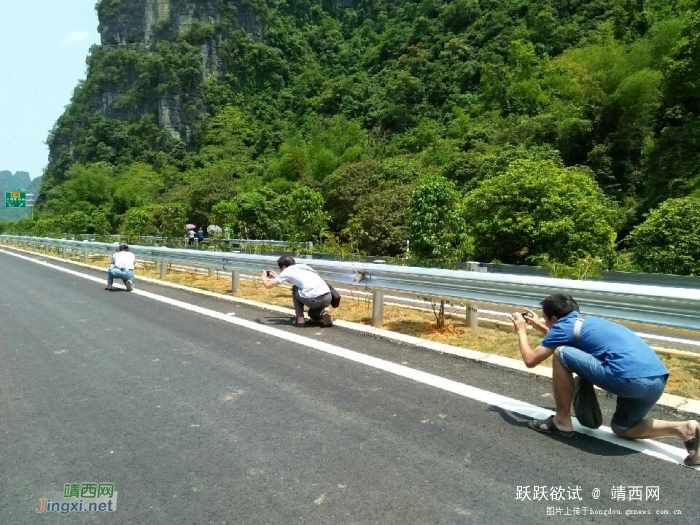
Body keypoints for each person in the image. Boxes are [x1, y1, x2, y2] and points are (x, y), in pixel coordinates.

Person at [510, 293, 699, 466]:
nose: (545, 322)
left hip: (628, 380)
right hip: (657, 381)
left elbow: (530, 360)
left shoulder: (560, 328)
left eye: (545, 318)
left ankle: (561, 422)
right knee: (623, 428)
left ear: (554, 319)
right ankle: (685, 429)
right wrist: (539, 326)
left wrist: (521, 329)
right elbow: (563, 339)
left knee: (561, 354)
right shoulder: (588, 324)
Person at [261, 256, 333, 327]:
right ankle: (324, 311)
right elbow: (294, 280)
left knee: (295, 288)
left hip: (314, 299)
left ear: (283, 266)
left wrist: (264, 277)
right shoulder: (303, 266)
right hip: (327, 296)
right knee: (312, 314)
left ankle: (300, 318)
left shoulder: (286, 271)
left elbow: (268, 285)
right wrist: (277, 277)